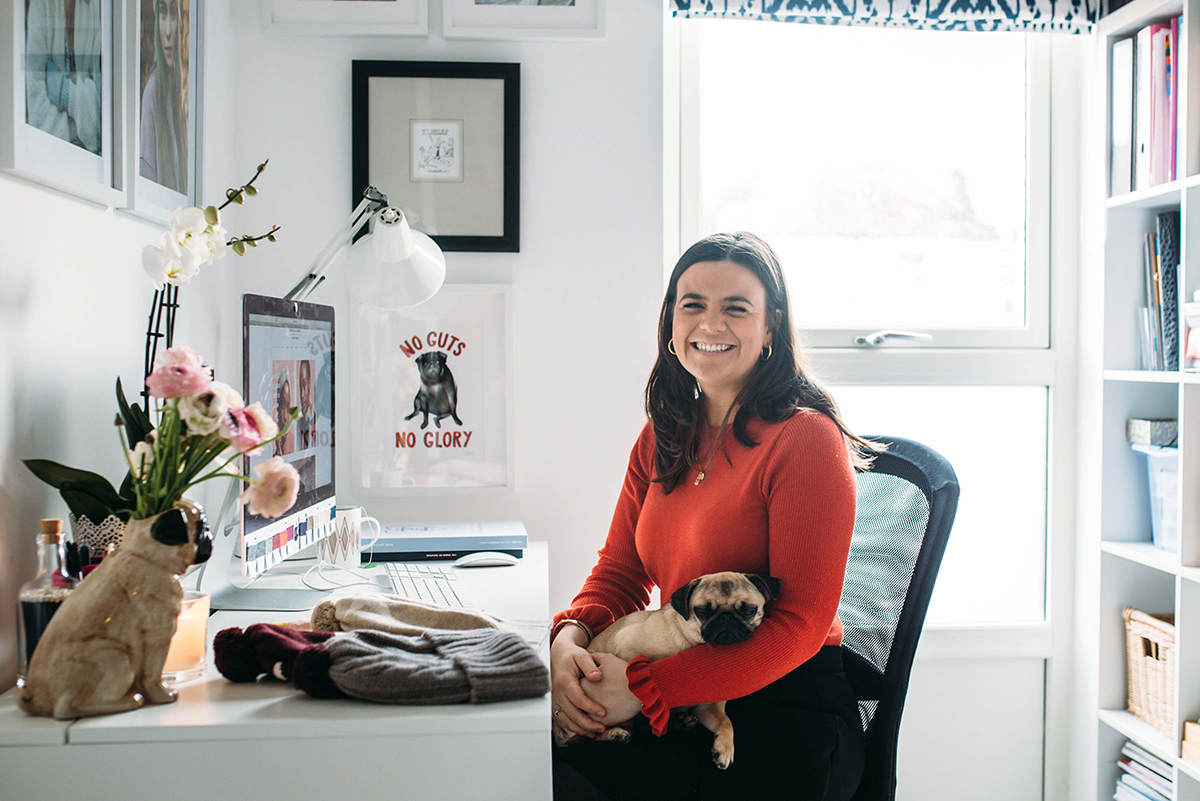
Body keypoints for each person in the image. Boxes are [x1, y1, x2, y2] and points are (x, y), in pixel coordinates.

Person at [550, 232, 878, 801]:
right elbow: (621, 574)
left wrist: (648, 687)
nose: (711, 324)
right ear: (671, 325)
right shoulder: (662, 437)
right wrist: (568, 644)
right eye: (693, 304)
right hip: (678, 693)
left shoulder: (805, 441)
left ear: (771, 327)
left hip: (781, 713)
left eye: (736, 308)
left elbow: (799, 625)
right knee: (510, 746)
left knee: (555, 777)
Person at [24, 0, 103, 155]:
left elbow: (100, 114)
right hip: (46, 160)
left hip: (91, 164)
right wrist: (75, 130)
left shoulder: (96, 5)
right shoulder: (42, 4)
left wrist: (65, 92)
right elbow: (35, 99)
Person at [139, 0, 187, 193]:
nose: (168, 30)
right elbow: (146, 176)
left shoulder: (177, 90)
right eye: (163, 15)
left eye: (173, 15)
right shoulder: (152, 92)